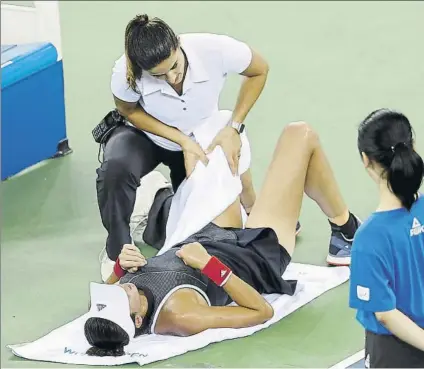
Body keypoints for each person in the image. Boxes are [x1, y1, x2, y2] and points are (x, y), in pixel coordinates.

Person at [84, 121, 361, 356]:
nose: (119, 289)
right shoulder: (181, 316)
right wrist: (208, 265)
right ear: (139, 319)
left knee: (219, 135)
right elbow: (260, 311)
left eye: (112, 293)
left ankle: (253, 205)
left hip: (209, 233)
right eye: (120, 297)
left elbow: (109, 290)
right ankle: (345, 230)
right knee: (300, 135)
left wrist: (120, 267)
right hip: (255, 253)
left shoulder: (121, 296)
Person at [96, 13, 293, 281]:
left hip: (200, 136)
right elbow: (128, 109)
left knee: (196, 228)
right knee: (115, 170)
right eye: (159, 76)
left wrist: (233, 127)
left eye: (175, 66)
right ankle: (116, 251)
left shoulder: (214, 49)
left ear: (178, 44)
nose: (171, 78)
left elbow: (259, 69)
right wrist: (181, 140)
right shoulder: (125, 71)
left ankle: (154, 200)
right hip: (147, 137)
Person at [348, 109, 424, 368]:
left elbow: (386, 315)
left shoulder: (369, 239)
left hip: (395, 354)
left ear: (365, 160)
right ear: (411, 147)